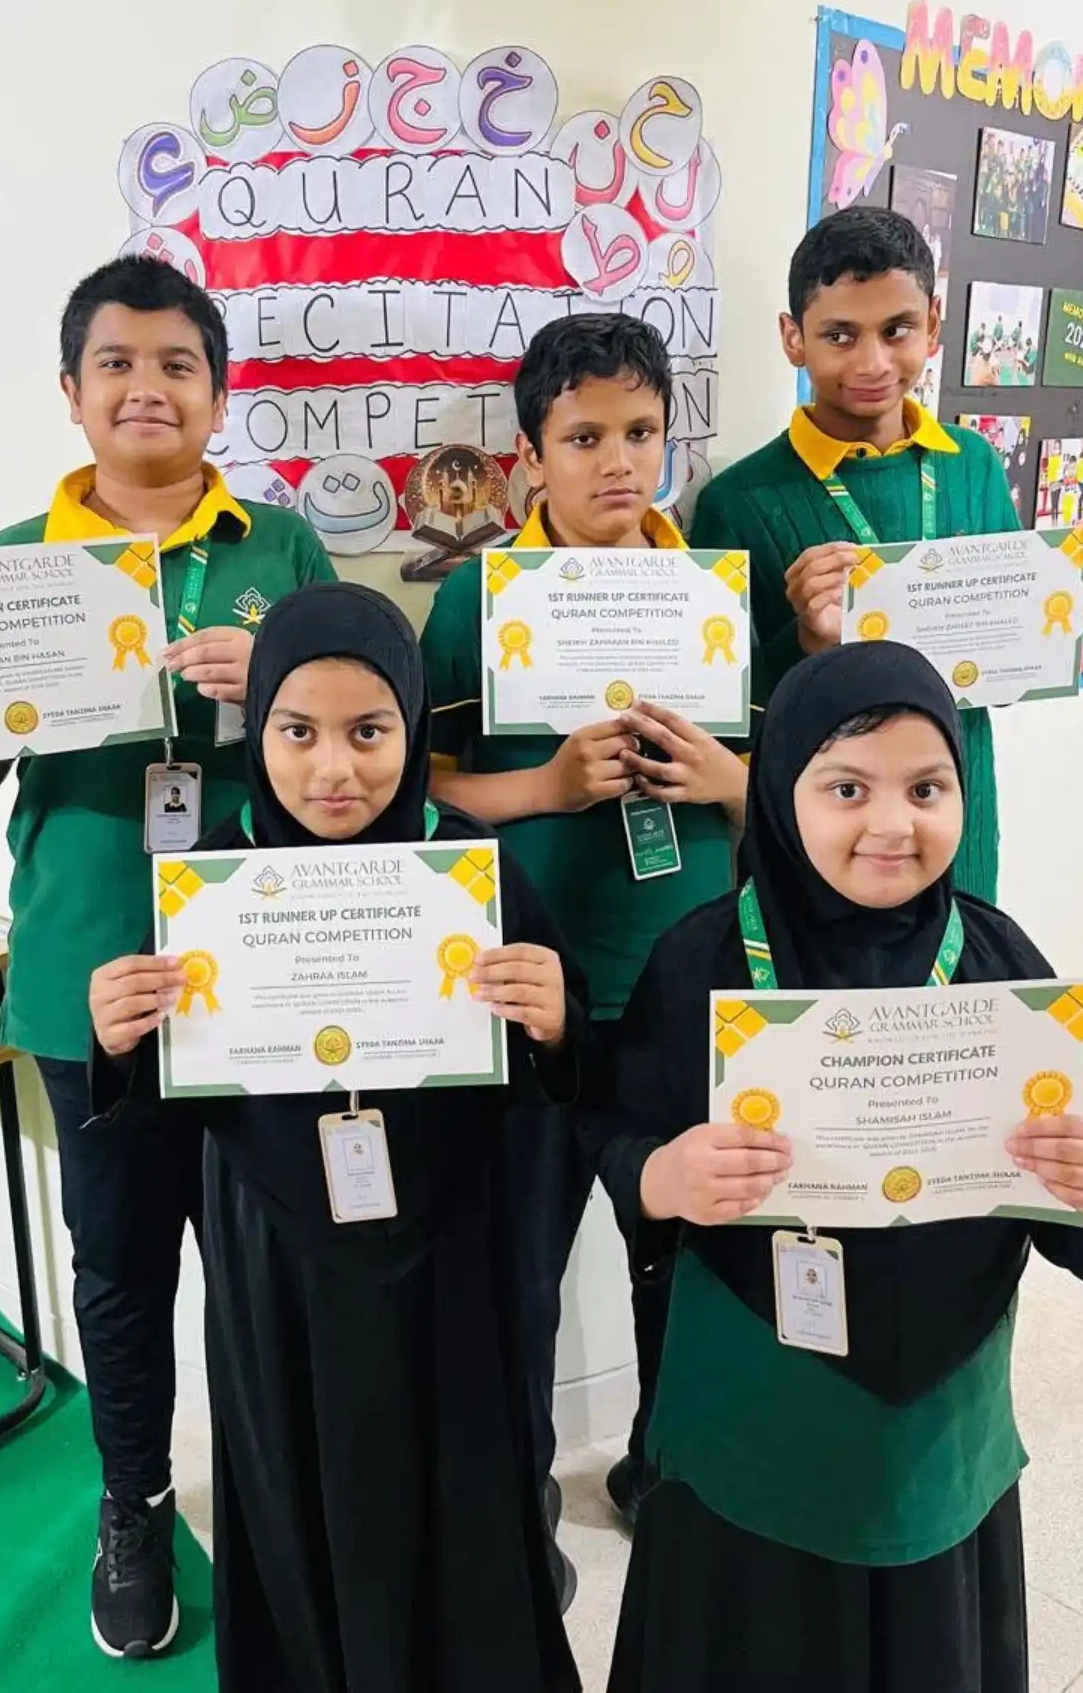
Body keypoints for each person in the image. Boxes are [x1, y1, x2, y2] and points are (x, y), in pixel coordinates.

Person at [0, 254, 335, 1661]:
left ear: (219, 393)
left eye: (178, 364)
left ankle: (284, 1503)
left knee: (279, 1260)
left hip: (273, 976)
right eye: (118, 364)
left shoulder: (283, 552)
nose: (148, 387)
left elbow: (353, 750)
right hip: (88, 981)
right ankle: (134, 1503)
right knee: (122, 1267)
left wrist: (279, 688)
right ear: (71, 392)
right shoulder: (11, 564)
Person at [602, 642, 1083, 1693]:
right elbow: (617, 1128)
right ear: (777, 790)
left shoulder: (996, 960)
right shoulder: (701, 959)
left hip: (941, 1411)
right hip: (756, 1390)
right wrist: (660, 1179)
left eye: (927, 789)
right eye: (847, 788)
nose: (893, 825)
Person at [87, 584, 589, 1693]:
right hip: (277, 1254)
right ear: (256, 729)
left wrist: (557, 1023)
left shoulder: (474, 871)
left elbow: (560, 1077)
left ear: (411, 729)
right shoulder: (209, 883)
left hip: (452, 1247)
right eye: (297, 732)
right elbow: (163, 1113)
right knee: (295, 1489)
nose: (334, 771)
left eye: (369, 733)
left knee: (464, 1484)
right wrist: (119, 1040)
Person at [420, 314, 748, 1558]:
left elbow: (790, 795)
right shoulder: (476, 599)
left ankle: (668, 1460)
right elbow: (417, 785)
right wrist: (546, 789)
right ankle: (518, 1501)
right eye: (585, 437)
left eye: (642, 433)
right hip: (533, 992)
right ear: (530, 455)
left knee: (682, 1253)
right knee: (521, 1268)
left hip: (688, 987)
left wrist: (727, 780)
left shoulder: (715, 594)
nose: (619, 462)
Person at [689, 207, 1083, 901]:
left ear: (934, 325)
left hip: (957, 810)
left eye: (897, 330)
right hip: (817, 837)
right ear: (793, 338)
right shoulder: (740, 500)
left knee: (957, 963)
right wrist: (807, 642)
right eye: (840, 335)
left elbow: (1011, 658)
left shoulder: (972, 464)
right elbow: (722, 716)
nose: (872, 362)